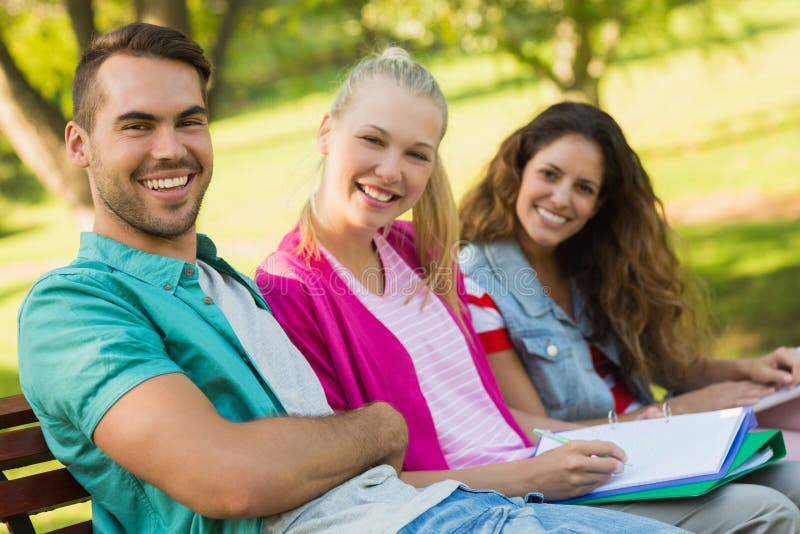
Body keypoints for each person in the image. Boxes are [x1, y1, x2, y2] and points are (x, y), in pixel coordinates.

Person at [15, 23, 687, 534]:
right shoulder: (74, 307)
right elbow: (233, 479)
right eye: (137, 125)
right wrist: (382, 429)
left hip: (428, 511)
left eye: (189, 121)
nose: (171, 147)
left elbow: (309, 449)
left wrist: (350, 445)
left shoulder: (222, 285)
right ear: (79, 145)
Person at [255, 48, 800, 532]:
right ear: (327, 132)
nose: (391, 170)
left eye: (417, 154)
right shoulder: (292, 289)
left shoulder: (417, 253)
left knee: (779, 491)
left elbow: (494, 412)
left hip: (545, 469)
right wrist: (530, 475)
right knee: (766, 512)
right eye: (373, 140)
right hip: (483, 504)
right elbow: (355, 489)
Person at [458, 100, 800, 517]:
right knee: (767, 510)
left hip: (660, 449)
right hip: (599, 473)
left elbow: (662, 366)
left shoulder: (589, 261)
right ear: (518, 172)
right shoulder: (478, 280)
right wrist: (669, 416)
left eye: (583, 188)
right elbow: (527, 429)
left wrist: (751, 369)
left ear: (599, 203)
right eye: (549, 174)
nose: (561, 198)